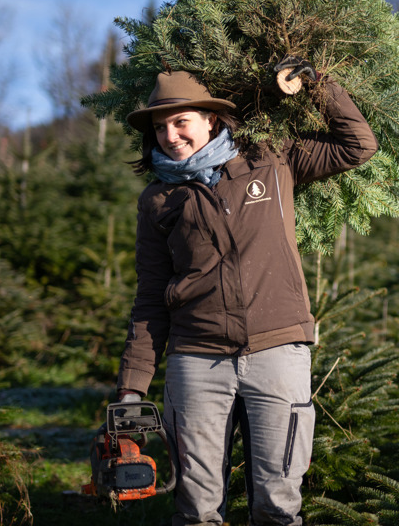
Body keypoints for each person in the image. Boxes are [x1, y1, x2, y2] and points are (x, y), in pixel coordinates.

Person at [116, 58, 377, 526]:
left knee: (277, 505)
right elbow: (151, 297)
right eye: (160, 127)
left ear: (211, 119)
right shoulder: (158, 199)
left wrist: (315, 83)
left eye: (181, 122)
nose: (170, 135)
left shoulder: (271, 160)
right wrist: (132, 388)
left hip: (278, 351)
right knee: (197, 510)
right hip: (196, 359)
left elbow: (357, 145)